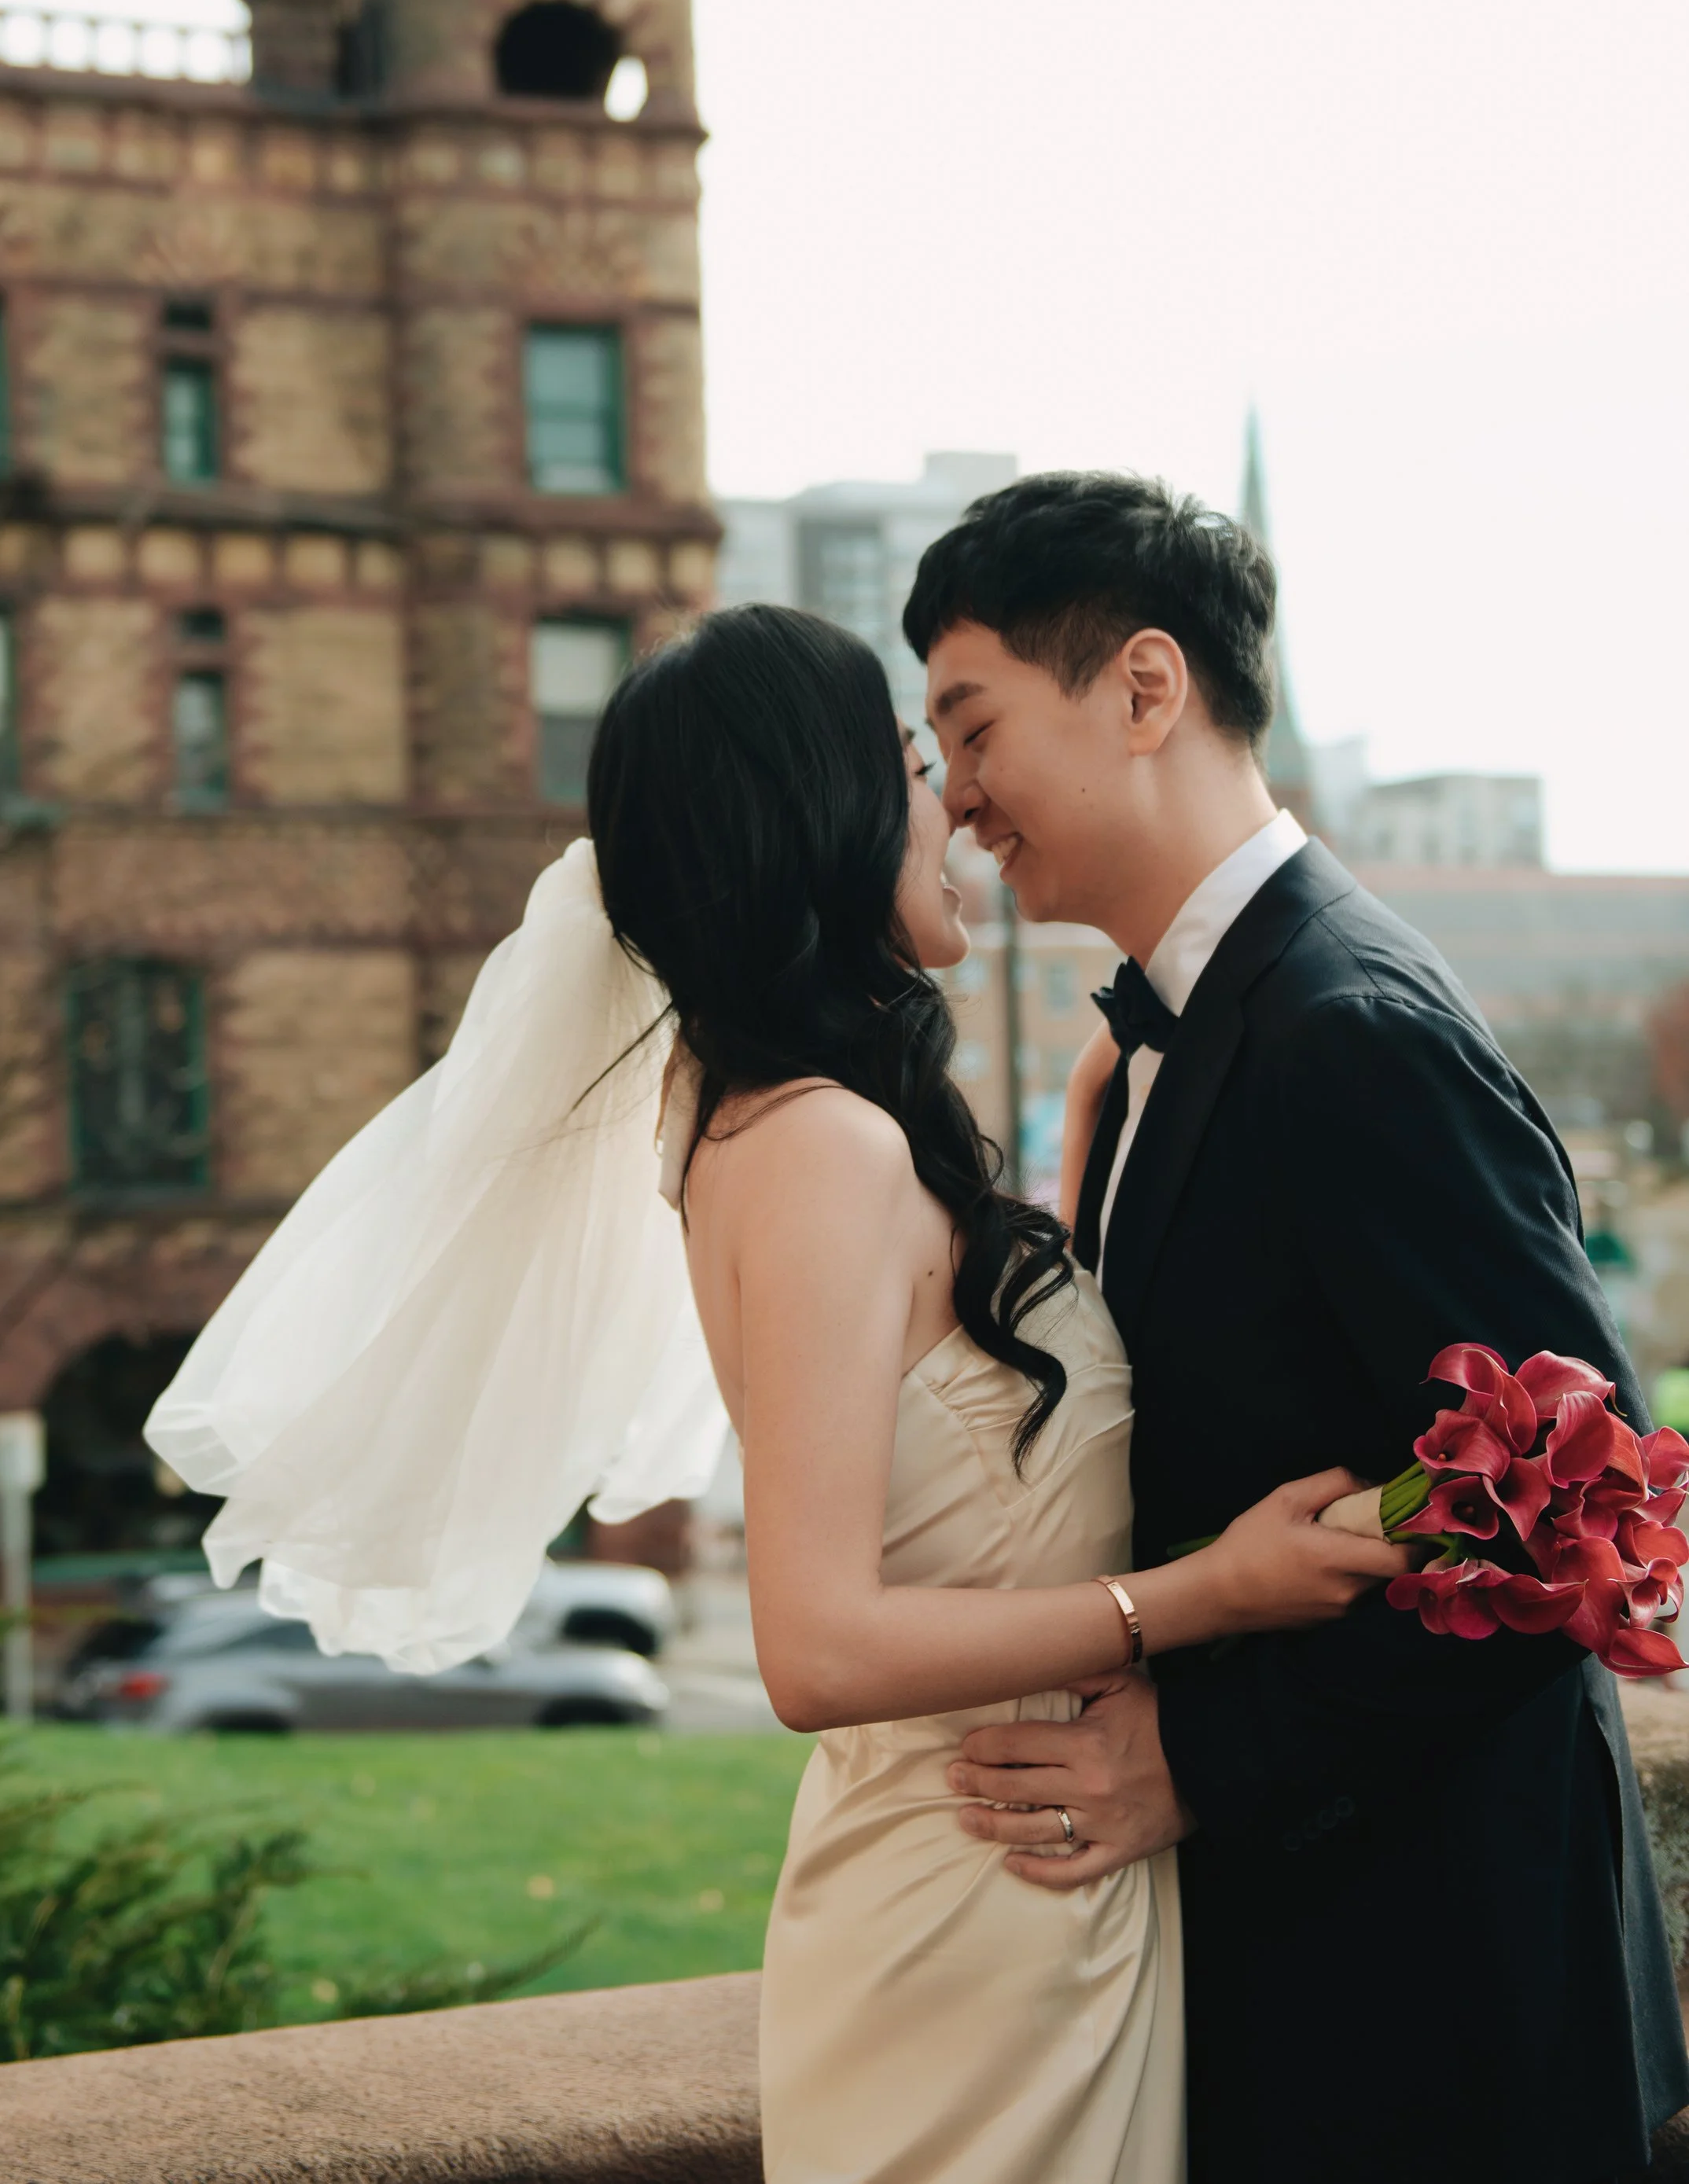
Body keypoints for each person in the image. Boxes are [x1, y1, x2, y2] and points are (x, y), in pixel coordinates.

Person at [902, 469, 1689, 2184]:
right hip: (1316, 1956)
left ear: (1141, 688)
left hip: (1439, 1996)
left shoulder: (1345, 1025)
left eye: (970, 728)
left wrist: (1198, 1755)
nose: (955, 801)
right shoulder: (1166, 1040)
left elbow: (1579, 1503)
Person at [585, 603, 1397, 2184]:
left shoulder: (753, 1108)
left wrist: (1091, 1171)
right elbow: (816, 1648)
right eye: (912, 761)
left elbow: (937, 1408)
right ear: (814, 819)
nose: (950, 801)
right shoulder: (820, 1145)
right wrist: (1204, 1593)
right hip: (974, 1892)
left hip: (1021, 1888)